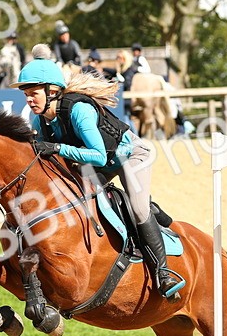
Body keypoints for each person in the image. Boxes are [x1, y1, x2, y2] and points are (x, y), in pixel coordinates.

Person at [13, 51, 186, 301]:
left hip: (130, 155)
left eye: (33, 94)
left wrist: (59, 148)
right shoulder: (41, 122)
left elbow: (99, 156)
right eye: (26, 95)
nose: (29, 100)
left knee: (138, 209)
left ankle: (163, 272)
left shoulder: (78, 110)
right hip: (101, 163)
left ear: (52, 91)